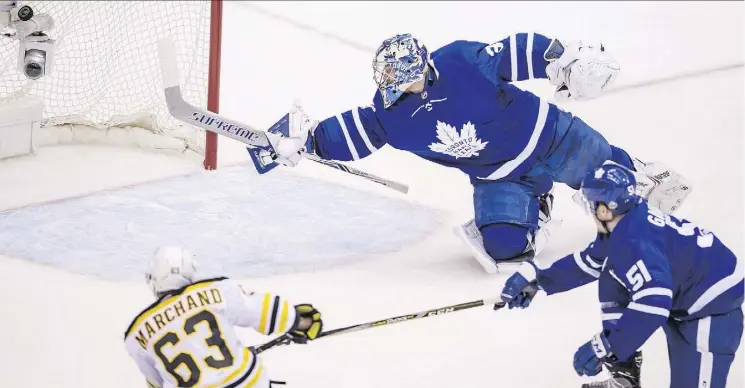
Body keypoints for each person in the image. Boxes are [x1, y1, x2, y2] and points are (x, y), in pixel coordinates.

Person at [261, 32, 691, 273]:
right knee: (504, 247)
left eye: (399, 80)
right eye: (386, 81)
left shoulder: (460, 61)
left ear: (421, 69)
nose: (390, 89)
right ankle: (536, 201)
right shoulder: (389, 115)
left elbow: (514, 50)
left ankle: (636, 171)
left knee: (622, 197)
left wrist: (559, 58)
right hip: (501, 177)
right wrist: (307, 141)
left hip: (550, 137)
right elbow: (355, 132)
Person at [499, 163, 743, 387]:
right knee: (611, 274)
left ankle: (620, 355)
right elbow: (590, 262)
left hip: (711, 312)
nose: (590, 211)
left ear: (605, 210)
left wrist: (607, 345)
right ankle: (624, 372)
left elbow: (654, 303)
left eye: (591, 204)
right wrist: (539, 279)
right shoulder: (625, 221)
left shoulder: (634, 243)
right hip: (685, 298)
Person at [124, 246, 323, 388]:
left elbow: (157, 382)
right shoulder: (216, 291)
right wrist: (298, 321)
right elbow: (264, 312)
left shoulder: (135, 336)